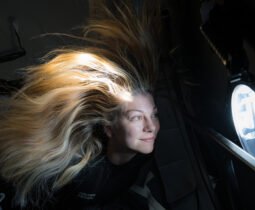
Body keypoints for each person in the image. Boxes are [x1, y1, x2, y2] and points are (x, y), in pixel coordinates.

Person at [0, 0, 163, 209]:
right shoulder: (79, 171)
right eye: (137, 118)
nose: (151, 127)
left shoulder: (142, 152)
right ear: (109, 128)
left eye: (154, 115)